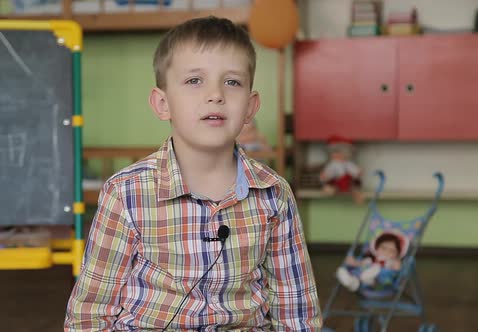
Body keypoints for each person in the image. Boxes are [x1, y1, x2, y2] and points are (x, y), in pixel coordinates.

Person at [65, 16, 321, 331]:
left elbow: (296, 308)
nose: (215, 95)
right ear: (162, 104)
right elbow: (90, 311)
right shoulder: (125, 192)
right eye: (194, 81)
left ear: (251, 107)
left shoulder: (274, 193)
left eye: (232, 82)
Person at [336, 230, 409, 292]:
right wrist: (353, 262)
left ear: (397, 254)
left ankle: (358, 281)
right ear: (376, 249)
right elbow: (360, 264)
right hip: (360, 277)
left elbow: (396, 271)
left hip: (378, 283)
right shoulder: (370, 259)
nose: (387, 252)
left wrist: (397, 263)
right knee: (341, 270)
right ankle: (350, 282)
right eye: (383, 248)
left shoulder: (392, 262)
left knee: (376, 268)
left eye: (392, 251)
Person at [319, 135, 364, 204]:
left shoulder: (348, 163)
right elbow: (328, 173)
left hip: (348, 182)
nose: (337, 155)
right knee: (331, 186)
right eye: (334, 153)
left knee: (354, 187)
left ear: (347, 153)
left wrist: (358, 172)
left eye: (340, 153)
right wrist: (324, 176)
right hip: (336, 182)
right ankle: (329, 190)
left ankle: (357, 195)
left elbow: (354, 171)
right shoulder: (332, 164)